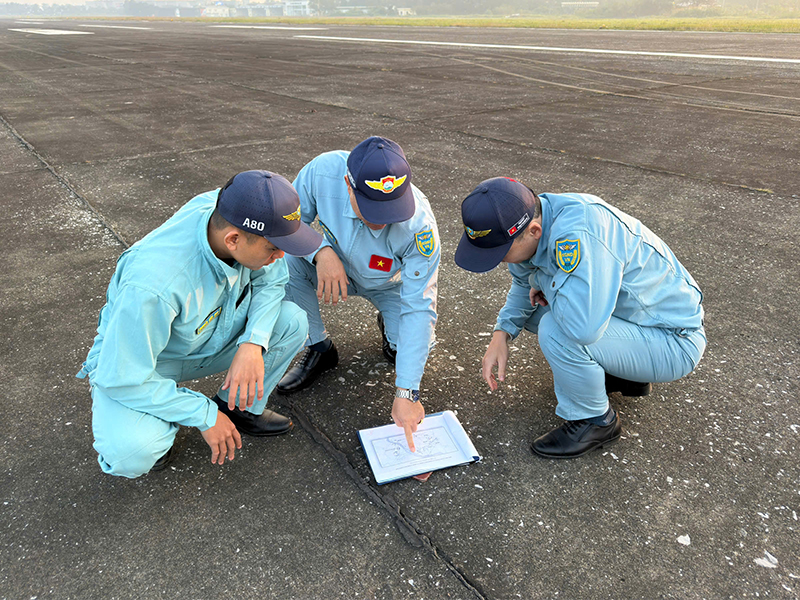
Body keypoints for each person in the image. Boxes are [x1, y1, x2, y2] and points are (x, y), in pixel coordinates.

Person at [77, 170, 323, 478]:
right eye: (272, 248)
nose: (281, 254)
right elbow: (123, 377)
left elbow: (272, 284)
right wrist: (203, 414)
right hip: (147, 360)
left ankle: (237, 408)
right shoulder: (153, 287)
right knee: (133, 451)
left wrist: (253, 343)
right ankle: (163, 418)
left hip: (205, 334)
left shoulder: (231, 211)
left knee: (291, 322)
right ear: (232, 240)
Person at [455, 177, 706, 458]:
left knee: (555, 328)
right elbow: (524, 282)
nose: (499, 260)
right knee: (538, 313)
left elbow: (582, 329)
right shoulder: (535, 218)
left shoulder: (579, 235)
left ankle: (596, 421)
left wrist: (543, 279)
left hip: (673, 341)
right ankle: (625, 375)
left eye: (501, 253)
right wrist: (501, 334)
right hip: (640, 325)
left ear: (534, 230)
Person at [276, 136, 440, 452]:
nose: (380, 222)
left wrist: (407, 393)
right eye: (371, 208)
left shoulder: (420, 227)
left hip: (389, 284)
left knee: (418, 347)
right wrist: (320, 250)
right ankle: (319, 346)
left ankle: (389, 327)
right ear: (348, 185)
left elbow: (420, 307)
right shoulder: (322, 172)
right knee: (284, 262)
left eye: (391, 209)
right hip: (330, 268)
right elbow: (287, 224)